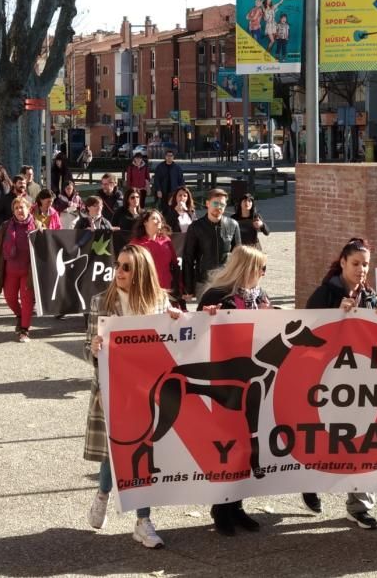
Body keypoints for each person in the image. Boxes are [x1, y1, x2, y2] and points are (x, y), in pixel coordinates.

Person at [85, 244, 180, 549]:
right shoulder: (101, 302)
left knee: (143, 454)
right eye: (118, 265)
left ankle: (143, 520)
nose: (119, 272)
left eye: (127, 267)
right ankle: (103, 493)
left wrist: (180, 320)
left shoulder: (159, 303)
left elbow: (182, 338)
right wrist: (95, 347)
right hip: (114, 391)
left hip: (148, 392)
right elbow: (88, 349)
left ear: (141, 272)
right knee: (114, 454)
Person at [302, 238, 377, 529]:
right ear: (342, 262)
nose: (362, 269)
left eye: (366, 264)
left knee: (363, 443)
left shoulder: (371, 297)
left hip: (362, 385)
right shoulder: (324, 294)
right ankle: (309, 481)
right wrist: (335, 317)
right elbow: (306, 341)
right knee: (326, 440)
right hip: (326, 384)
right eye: (356, 263)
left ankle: (359, 505)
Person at [197, 245, 270, 535]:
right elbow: (195, 334)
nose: (264, 275)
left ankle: (238, 505)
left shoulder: (260, 297)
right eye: (260, 269)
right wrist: (207, 317)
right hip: (225, 382)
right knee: (226, 446)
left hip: (253, 383)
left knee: (248, 444)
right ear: (247, 269)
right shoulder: (217, 296)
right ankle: (221, 508)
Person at [0, 196, 36, 342]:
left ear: (28, 208)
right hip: (10, 271)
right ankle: (20, 315)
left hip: (28, 272)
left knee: (27, 300)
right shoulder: (6, 226)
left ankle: (24, 330)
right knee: (9, 298)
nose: (19, 210)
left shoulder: (36, 225)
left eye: (21, 207)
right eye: (16, 208)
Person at [182, 188, 241, 299]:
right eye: (215, 203)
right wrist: (188, 287)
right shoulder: (196, 227)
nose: (219, 207)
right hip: (204, 281)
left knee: (227, 313)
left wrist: (240, 282)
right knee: (205, 315)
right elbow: (188, 259)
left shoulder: (233, 225)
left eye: (222, 205)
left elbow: (239, 256)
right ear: (207, 203)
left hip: (227, 281)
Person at [128, 209, 179, 294]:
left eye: (160, 218)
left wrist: (179, 288)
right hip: (145, 291)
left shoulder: (166, 240)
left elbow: (175, 264)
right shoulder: (135, 243)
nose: (159, 221)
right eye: (154, 218)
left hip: (167, 291)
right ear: (145, 222)